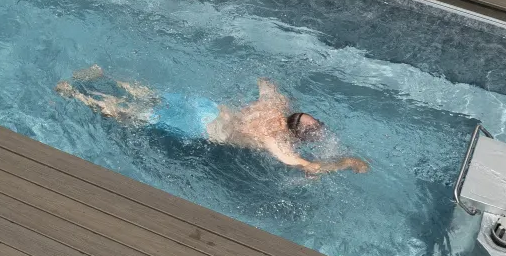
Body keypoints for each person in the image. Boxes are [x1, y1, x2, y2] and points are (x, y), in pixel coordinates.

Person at [55, 66, 368, 176]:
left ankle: (105, 76)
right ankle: (76, 93)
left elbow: (263, 80)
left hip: (204, 107)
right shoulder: (277, 141)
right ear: (297, 136)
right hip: (196, 127)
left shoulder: (276, 102)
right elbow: (307, 166)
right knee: (126, 114)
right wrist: (347, 162)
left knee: (150, 93)